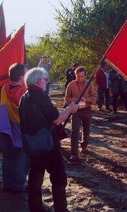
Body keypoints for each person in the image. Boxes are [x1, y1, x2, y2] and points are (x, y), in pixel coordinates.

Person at [19, 67, 78, 212]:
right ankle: (61, 209)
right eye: (46, 79)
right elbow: (57, 119)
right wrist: (70, 109)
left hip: (32, 145)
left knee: (35, 178)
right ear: (39, 81)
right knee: (59, 179)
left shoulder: (24, 96)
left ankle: (35, 208)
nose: (47, 82)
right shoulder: (40, 96)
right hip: (47, 145)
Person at [0, 63, 29, 193]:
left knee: (8, 157)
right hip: (19, 129)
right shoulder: (23, 92)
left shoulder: (4, 87)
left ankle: (7, 184)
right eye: (26, 73)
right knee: (21, 158)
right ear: (22, 77)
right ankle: (19, 185)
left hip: (6, 127)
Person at [65, 67, 97, 161]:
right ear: (75, 75)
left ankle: (84, 145)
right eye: (78, 76)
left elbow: (94, 97)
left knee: (86, 129)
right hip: (76, 111)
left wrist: (87, 99)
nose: (80, 78)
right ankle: (74, 153)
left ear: (85, 76)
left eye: (82, 76)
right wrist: (72, 100)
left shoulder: (89, 84)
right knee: (75, 131)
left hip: (87, 109)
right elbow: (66, 99)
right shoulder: (71, 85)